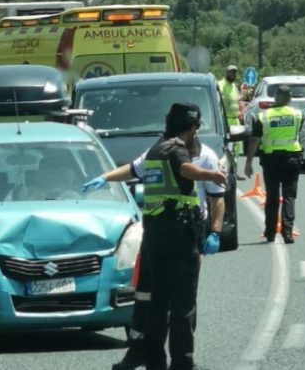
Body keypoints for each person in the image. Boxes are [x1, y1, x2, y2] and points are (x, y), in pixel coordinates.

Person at [86, 103, 226, 370]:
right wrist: (106, 177)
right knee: (180, 305)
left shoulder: (158, 150)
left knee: (158, 303)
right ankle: (181, 364)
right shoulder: (176, 151)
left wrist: (215, 232)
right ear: (194, 126)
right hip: (179, 234)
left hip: (158, 235)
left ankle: (154, 361)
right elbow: (184, 170)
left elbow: (216, 199)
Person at [244, 85, 303, 244]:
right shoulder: (297, 115)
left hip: (271, 161)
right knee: (289, 197)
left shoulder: (263, 116)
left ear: (276, 97)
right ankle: (288, 232)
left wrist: (248, 162)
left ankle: (270, 233)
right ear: (289, 98)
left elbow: (254, 140)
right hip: (292, 158)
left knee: (272, 197)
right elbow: (300, 134)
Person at [218, 65, 244, 179]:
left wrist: (245, 94)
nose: (233, 75)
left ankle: (234, 171)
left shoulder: (234, 86)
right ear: (226, 72)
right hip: (225, 120)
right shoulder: (221, 84)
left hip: (235, 120)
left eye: (235, 73)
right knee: (226, 148)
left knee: (236, 148)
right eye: (231, 72)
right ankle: (224, 171)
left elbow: (237, 100)